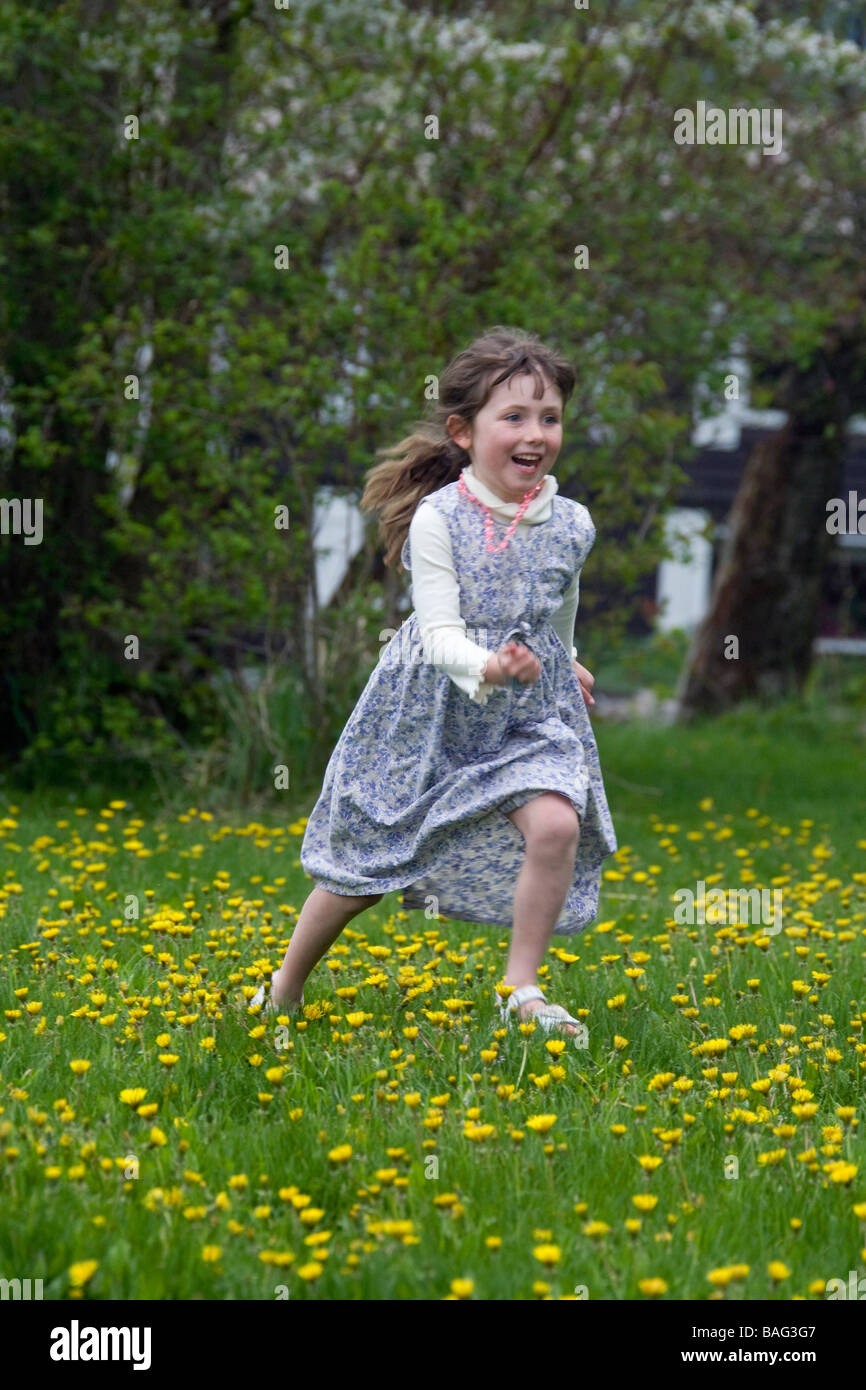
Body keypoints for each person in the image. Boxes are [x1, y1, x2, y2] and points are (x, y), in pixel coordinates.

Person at [250, 326, 617, 1037]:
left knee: (555, 822)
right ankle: (284, 987)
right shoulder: (438, 518)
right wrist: (487, 665)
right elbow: (441, 631)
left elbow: (557, 602)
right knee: (365, 865)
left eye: (549, 417)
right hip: (429, 711)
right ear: (463, 430)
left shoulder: (572, 524)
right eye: (513, 416)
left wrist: (565, 655)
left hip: (524, 712)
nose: (535, 433)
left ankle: (521, 990)